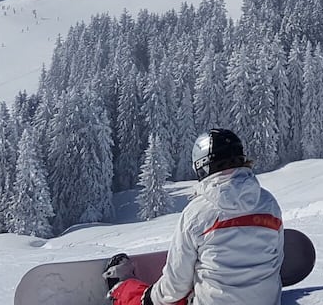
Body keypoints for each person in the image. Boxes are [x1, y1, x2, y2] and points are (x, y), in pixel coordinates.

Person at [106, 129, 284, 305]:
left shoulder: (197, 213)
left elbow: (175, 287)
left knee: (165, 299)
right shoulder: (269, 204)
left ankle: (122, 289)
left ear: (202, 168)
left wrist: (148, 298)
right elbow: (278, 260)